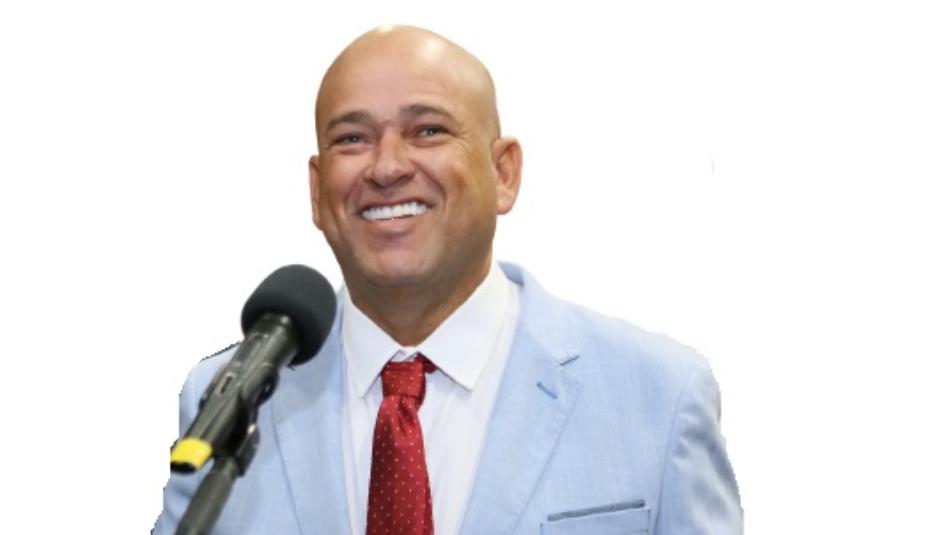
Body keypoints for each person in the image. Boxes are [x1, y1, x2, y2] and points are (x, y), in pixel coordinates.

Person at [154, 25, 743, 535]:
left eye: (428, 130)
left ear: (503, 173)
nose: (387, 167)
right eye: (352, 139)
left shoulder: (661, 395)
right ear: (316, 189)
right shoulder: (231, 397)